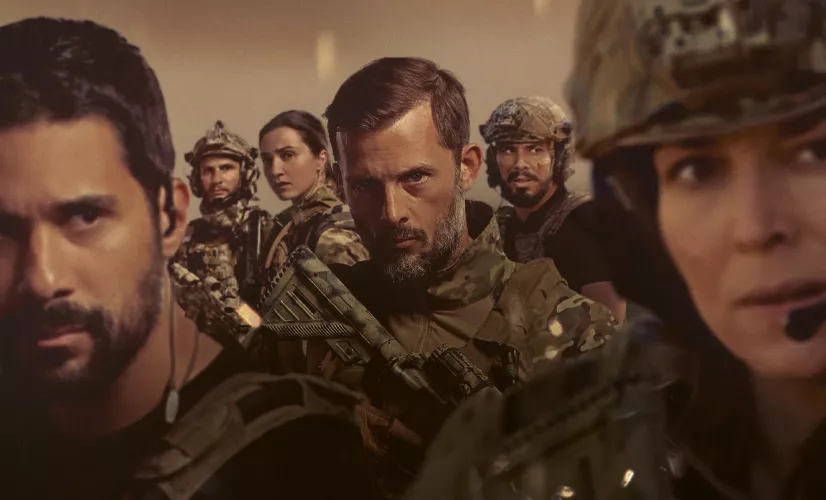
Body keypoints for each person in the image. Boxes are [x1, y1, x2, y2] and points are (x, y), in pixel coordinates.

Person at [409, 1, 826, 499]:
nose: (756, 227)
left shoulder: (577, 231)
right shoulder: (534, 453)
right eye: (698, 169)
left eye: (816, 152)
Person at [0, 17, 377, 500]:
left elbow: (280, 322)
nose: (41, 277)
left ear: (169, 216)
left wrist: (239, 314)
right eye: (3, 231)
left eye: (85, 216)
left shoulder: (291, 459)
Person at [320, 56, 618, 498]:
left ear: (467, 166)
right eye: (364, 185)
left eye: (415, 177)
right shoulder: (319, 316)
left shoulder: (570, 331)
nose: (392, 212)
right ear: (339, 184)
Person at [480, 96, 626, 321]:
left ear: (558, 157)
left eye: (534, 149)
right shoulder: (496, 230)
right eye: (508, 150)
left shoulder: (585, 224)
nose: (520, 163)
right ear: (494, 158)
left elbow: (610, 325)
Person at [173, 121, 273, 310]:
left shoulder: (266, 231)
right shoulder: (188, 237)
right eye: (208, 171)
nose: (217, 179)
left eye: (226, 168)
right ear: (197, 179)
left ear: (245, 174)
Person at [259, 110, 368, 274]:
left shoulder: (332, 234)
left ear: (321, 159)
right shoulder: (294, 220)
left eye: (288, 155)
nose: (275, 170)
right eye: (267, 160)